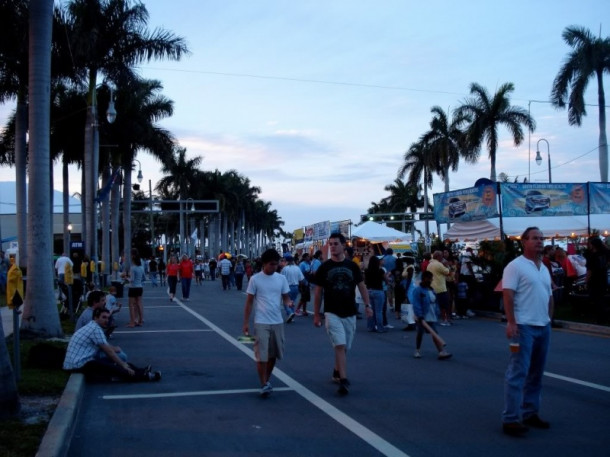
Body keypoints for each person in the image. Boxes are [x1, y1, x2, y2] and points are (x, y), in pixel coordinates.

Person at [501, 226, 553, 436]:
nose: (539, 241)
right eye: (534, 238)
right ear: (524, 242)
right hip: (523, 326)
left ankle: (530, 412)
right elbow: (508, 295)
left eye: (541, 238)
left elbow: (549, 295)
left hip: (543, 326)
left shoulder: (543, 268)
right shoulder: (515, 266)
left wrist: (549, 319)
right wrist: (512, 322)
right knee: (518, 373)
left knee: (536, 374)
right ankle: (510, 418)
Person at [313, 233, 372, 395]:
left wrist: (368, 305)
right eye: (330, 244)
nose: (332, 247)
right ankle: (343, 380)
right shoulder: (324, 268)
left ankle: (336, 371)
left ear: (343, 246)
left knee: (345, 347)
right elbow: (318, 293)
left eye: (335, 244)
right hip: (332, 312)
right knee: (340, 344)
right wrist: (317, 314)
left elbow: (362, 286)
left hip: (350, 312)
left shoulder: (352, 266)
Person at [242, 248, 293, 397]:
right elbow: (249, 302)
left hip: (277, 321)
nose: (274, 267)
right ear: (264, 264)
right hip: (261, 322)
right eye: (272, 264)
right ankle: (264, 383)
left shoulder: (281, 279)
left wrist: (288, 303)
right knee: (261, 355)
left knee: (273, 356)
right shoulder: (255, 279)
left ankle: (267, 379)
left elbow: (285, 297)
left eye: (277, 264)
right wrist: (245, 323)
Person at [64, 308, 161, 382]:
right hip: (79, 365)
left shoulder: (92, 326)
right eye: (103, 317)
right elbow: (109, 351)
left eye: (108, 317)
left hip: (81, 361)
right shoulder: (95, 329)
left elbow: (107, 348)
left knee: (115, 364)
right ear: (95, 318)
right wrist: (123, 364)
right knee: (116, 368)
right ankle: (146, 376)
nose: (106, 320)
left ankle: (141, 370)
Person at [411, 271, 452, 360]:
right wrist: (419, 315)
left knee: (435, 333)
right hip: (422, 316)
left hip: (431, 315)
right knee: (420, 333)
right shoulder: (418, 290)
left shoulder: (431, 289)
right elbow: (416, 304)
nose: (431, 280)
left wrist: (437, 312)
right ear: (425, 278)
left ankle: (441, 352)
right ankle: (417, 351)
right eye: (430, 278)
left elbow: (435, 302)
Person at [584, 236, 609, 324]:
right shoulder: (605, 253)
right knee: (601, 298)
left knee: (596, 299)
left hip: (595, 280)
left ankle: (600, 318)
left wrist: (586, 280)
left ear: (593, 245)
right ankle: (604, 316)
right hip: (603, 278)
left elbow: (589, 270)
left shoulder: (593, 256)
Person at [427, 251, 452, 326]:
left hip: (432, 287)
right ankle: (446, 319)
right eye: (441, 256)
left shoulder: (430, 264)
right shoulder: (439, 264)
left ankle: (438, 319)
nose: (442, 257)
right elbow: (448, 272)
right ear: (438, 256)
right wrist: (447, 265)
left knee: (435, 305)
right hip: (441, 287)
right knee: (444, 305)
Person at [365, 255, 387, 333]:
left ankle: (370, 327)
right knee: (378, 311)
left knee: (371, 310)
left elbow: (365, 281)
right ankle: (380, 327)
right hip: (378, 290)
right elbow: (386, 279)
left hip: (369, 291)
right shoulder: (380, 271)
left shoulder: (367, 271)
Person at [124, 249, 145, 327]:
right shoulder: (141, 268)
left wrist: (126, 278)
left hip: (133, 288)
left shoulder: (133, 268)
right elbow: (144, 278)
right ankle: (140, 320)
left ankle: (132, 322)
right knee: (139, 304)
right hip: (140, 287)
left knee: (131, 305)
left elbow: (131, 280)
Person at [280, 254, 302, 322]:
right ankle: (291, 316)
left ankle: (290, 313)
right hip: (296, 287)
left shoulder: (285, 269)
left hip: (287, 287)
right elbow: (301, 279)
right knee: (292, 301)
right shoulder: (297, 268)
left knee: (285, 301)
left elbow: (281, 278)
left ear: (286, 261)